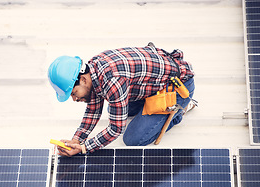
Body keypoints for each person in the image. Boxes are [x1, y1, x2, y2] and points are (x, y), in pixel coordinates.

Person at [48, 43, 195, 157]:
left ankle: (178, 112)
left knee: (133, 140)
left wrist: (84, 148)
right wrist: (77, 139)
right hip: (153, 83)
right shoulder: (93, 67)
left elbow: (116, 128)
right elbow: (94, 106)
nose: (74, 99)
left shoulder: (112, 80)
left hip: (178, 87)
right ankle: (151, 109)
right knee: (114, 107)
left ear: (84, 80)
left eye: (73, 93)